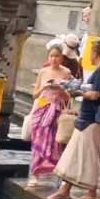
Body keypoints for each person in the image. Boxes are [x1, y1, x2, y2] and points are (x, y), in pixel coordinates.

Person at [49, 38, 100, 199]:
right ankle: (65, 190)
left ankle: (91, 192)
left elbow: (95, 95)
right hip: (86, 117)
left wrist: (77, 92)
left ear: (95, 53)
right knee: (73, 155)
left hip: (91, 119)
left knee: (89, 156)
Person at [27, 42, 72, 189]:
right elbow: (35, 94)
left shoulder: (66, 73)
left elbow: (68, 98)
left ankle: (60, 174)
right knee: (37, 141)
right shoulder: (43, 72)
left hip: (57, 109)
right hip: (42, 108)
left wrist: (60, 89)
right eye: (51, 56)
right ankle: (35, 174)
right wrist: (44, 88)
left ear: (62, 57)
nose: (54, 59)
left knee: (56, 143)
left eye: (57, 56)